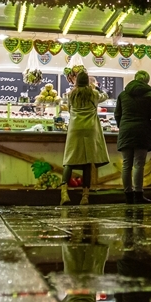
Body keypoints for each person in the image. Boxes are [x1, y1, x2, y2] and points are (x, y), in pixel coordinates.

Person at [62, 71, 110, 205]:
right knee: (88, 162)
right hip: (90, 129)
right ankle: (85, 197)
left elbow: (69, 110)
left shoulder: (71, 94)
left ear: (76, 82)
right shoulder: (93, 94)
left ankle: (64, 194)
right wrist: (96, 86)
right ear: (88, 82)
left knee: (69, 160)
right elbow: (105, 96)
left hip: (75, 128)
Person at [114, 70, 151, 204]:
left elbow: (117, 114)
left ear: (134, 78)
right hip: (142, 132)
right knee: (139, 164)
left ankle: (128, 194)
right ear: (146, 81)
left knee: (126, 165)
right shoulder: (150, 96)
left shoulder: (123, 95)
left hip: (126, 131)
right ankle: (138, 194)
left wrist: (122, 126)